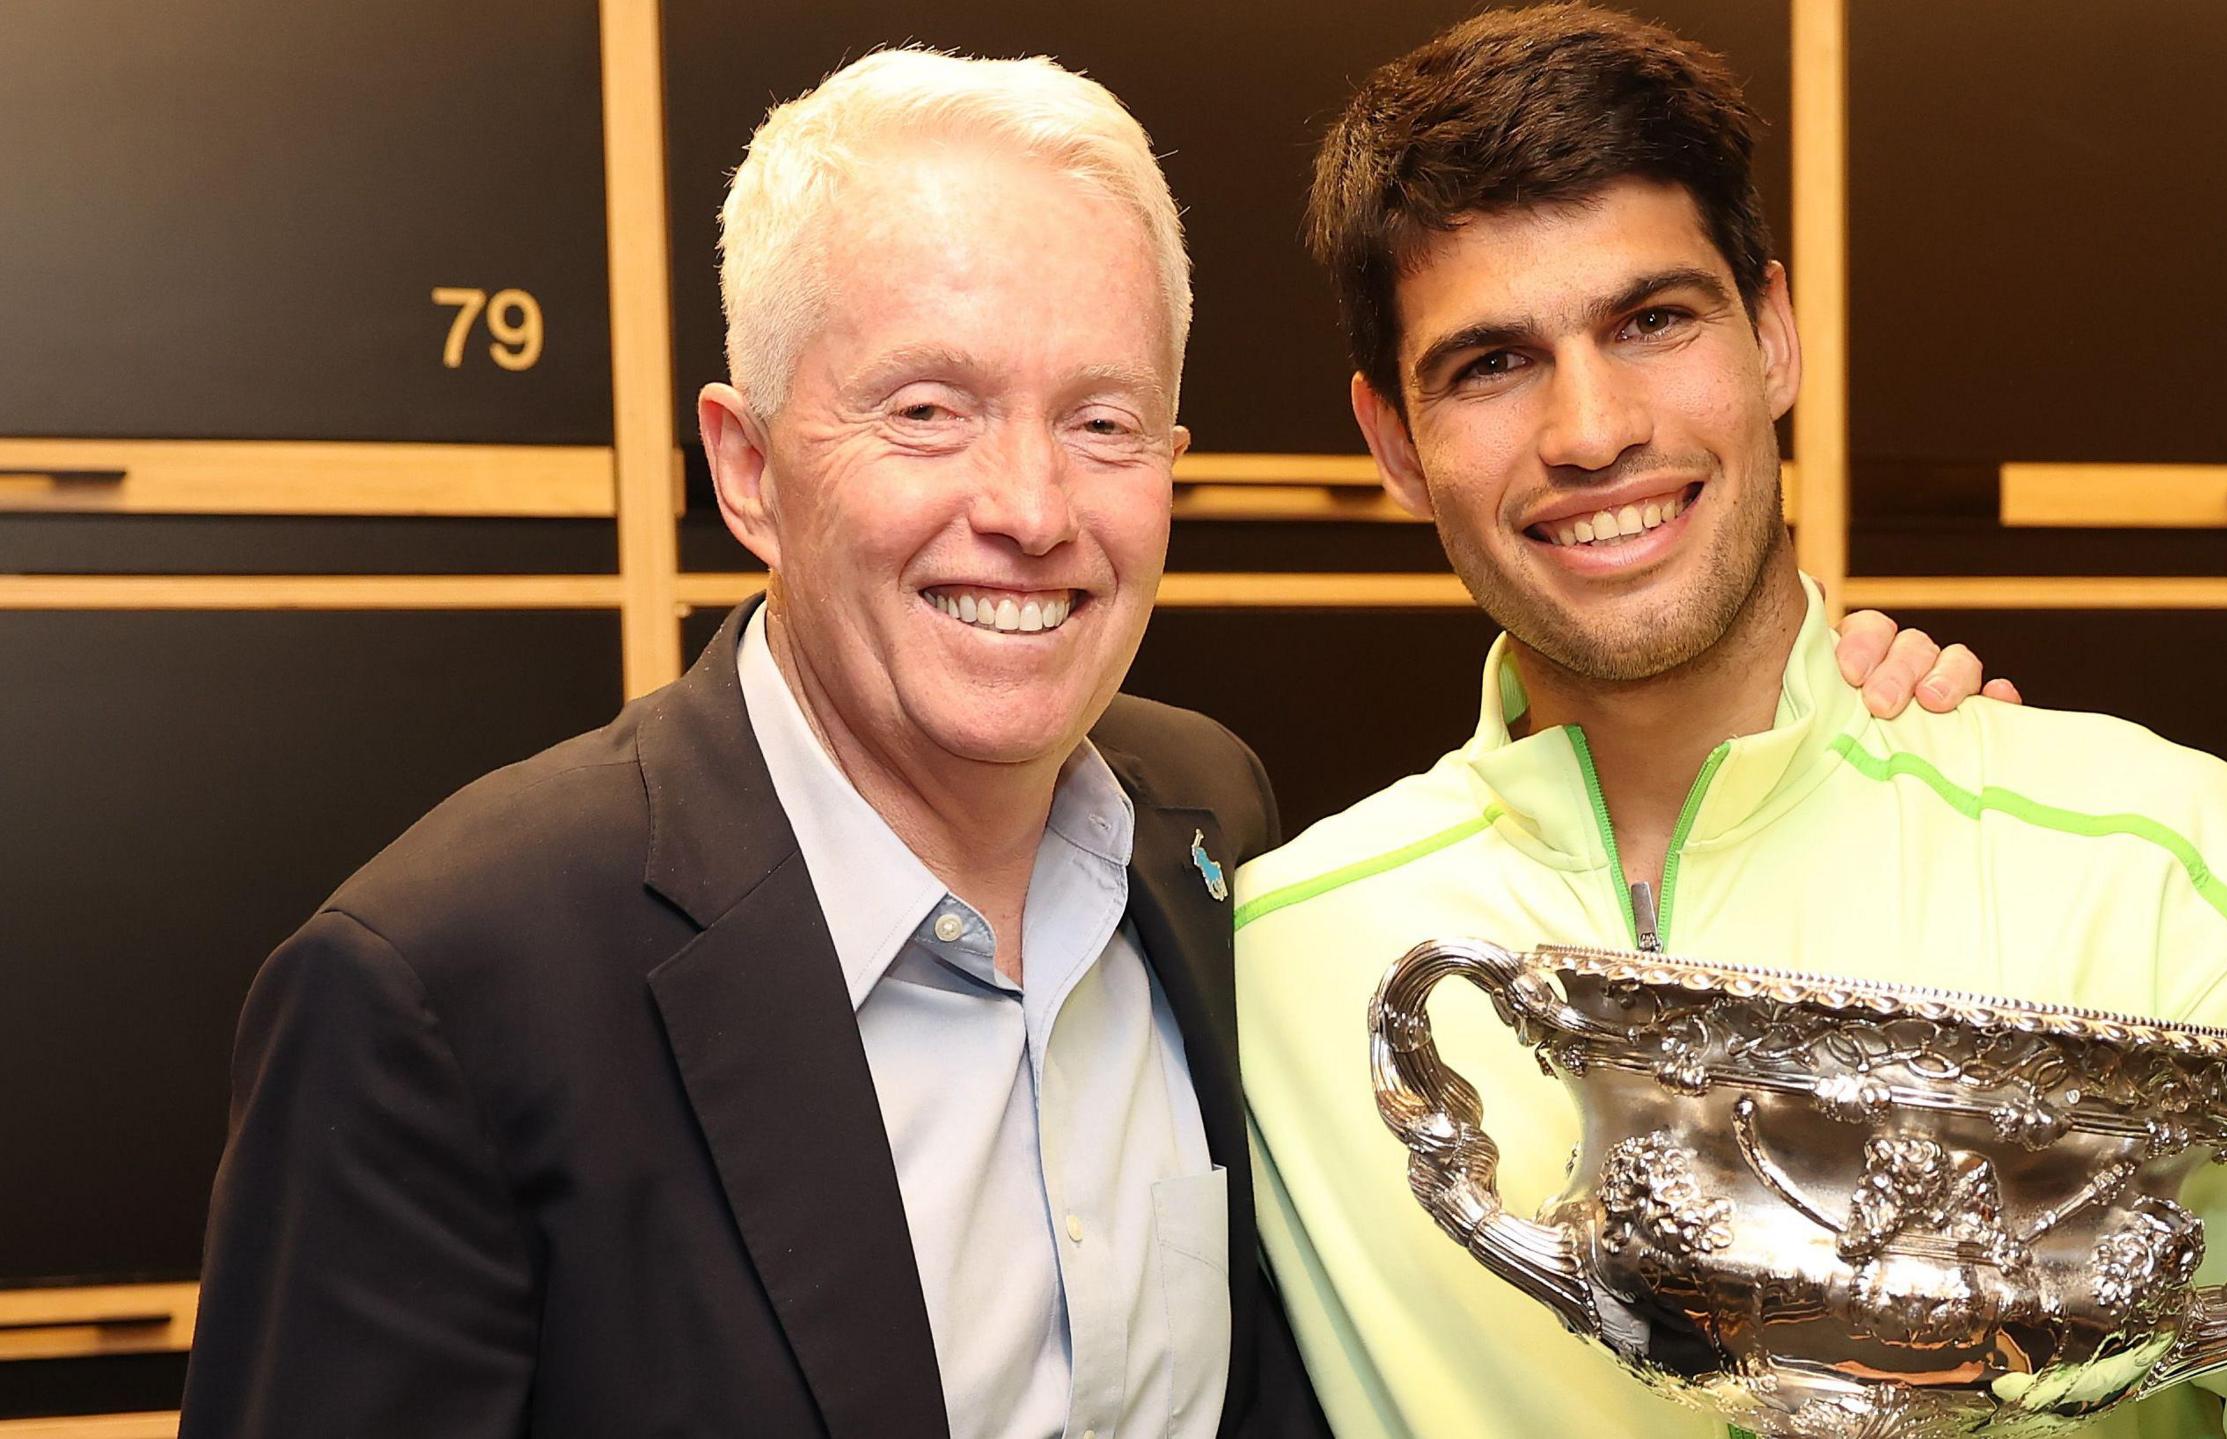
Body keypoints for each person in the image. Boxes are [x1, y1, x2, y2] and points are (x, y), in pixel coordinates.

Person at [180, 41, 1979, 1439]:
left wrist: (1870, 733)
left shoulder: (1211, 834)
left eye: (1103, 420)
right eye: (929, 409)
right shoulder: (437, 991)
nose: (1032, 508)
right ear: (743, 467)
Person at [1234, 8, 2227, 1439]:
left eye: (1653, 320)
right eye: (1490, 364)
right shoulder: (1274, 967)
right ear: (1391, 445)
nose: (1592, 429)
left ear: (1775, 335)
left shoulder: (2179, 867)